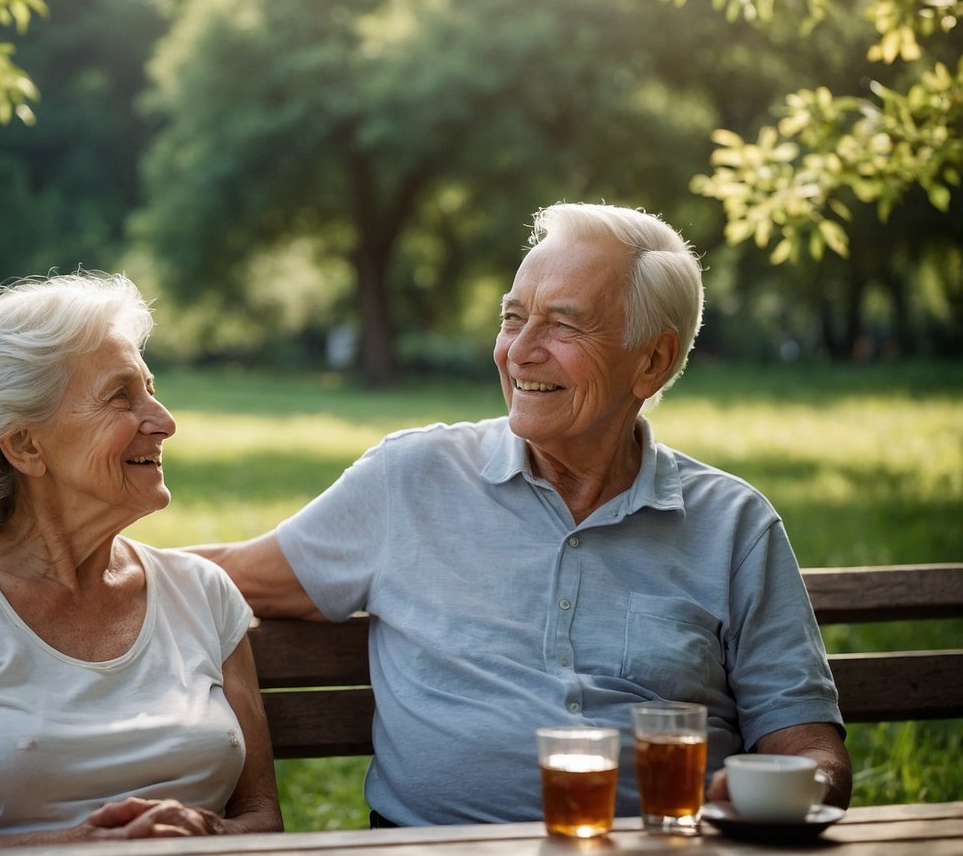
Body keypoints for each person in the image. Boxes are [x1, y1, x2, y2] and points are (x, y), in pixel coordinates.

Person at [190, 202, 852, 826]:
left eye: (563, 325)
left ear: (651, 360)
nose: (520, 350)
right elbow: (223, 578)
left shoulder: (734, 526)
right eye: (512, 318)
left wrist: (783, 790)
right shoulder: (410, 481)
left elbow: (813, 752)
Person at [0, 272, 282, 853]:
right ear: (25, 445)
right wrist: (76, 846)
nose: (165, 420)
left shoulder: (203, 593)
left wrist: (206, 833)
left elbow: (261, 820)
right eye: (121, 396)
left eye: (150, 388)